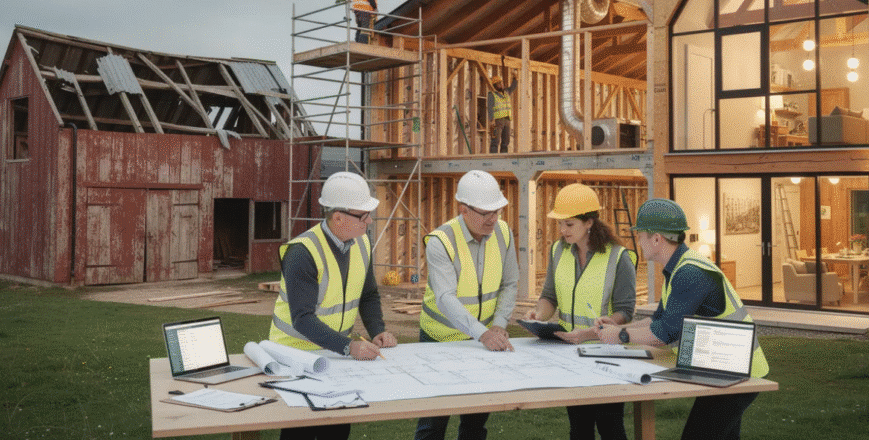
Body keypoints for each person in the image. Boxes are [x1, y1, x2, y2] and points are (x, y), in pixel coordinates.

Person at [594, 199, 769, 440]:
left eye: (641, 235)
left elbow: (664, 334)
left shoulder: (689, 273)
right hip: (724, 366)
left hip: (736, 371)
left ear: (656, 239)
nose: (638, 241)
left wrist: (621, 336)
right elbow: (658, 320)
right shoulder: (678, 268)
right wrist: (620, 326)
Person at [269, 171, 397, 440]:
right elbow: (302, 318)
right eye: (363, 216)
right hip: (296, 358)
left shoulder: (361, 243)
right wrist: (350, 347)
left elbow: (369, 294)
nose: (370, 221)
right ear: (338, 218)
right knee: (300, 434)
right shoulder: (302, 252)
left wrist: (377, 330)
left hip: (336, 355)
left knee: (337, 430)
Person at [524, 184, 636, 440]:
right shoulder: (558, 250)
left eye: (570, 224)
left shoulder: (619, 257)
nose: (562, 231)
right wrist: (539, 314)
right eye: (561, 224)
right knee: (579, 427)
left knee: (610, 426)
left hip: (606, 353)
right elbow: (549, 296)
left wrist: (593, 331)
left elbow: (625, 310)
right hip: (569, 352)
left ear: (589, 222)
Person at [415, 169, 519, 440]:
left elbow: (510, 284)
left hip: (481, 341)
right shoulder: (441, 241)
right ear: (464, 210)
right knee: (433, 425)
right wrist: (483, 333)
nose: (493, 219)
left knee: (475, 424)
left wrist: (498, 325)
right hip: (440, 340)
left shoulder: (503, 232)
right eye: (486, 213)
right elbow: (445, 298)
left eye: (497, 211)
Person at [487, 73, 517, 153]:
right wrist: (491, 120)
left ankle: (504, 157)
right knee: (495, 141)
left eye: (501, 82)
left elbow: (513, 87)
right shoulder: (492, 95)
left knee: (506, 142)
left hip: (507, 120)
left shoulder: (506, 92)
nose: (502, 84)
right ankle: (494, 159)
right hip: (497, 121)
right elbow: (490, 108)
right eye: (499, 83)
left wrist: (515, 79)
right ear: (495, 86)